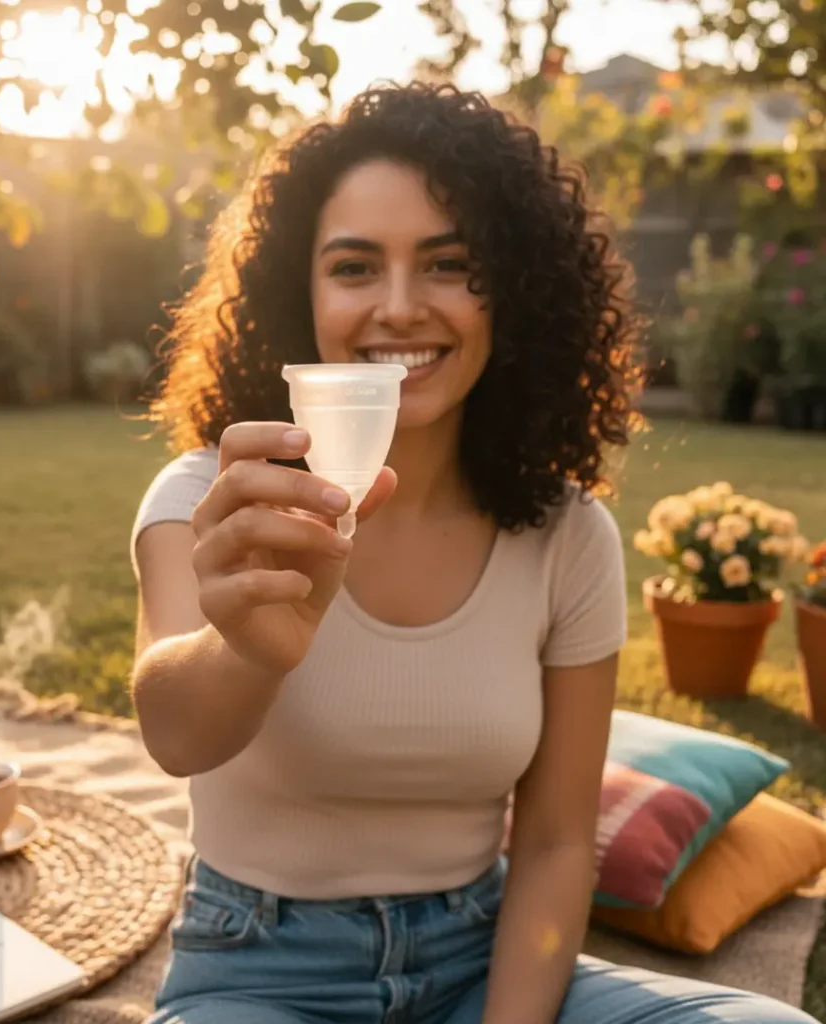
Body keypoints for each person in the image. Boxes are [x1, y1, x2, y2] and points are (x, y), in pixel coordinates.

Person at [130, 83, 813, 1024]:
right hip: (261, 969)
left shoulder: (567, 536)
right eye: (355, 267)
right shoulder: (219, 495)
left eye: (450, 264)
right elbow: (173, 736)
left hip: (479, 961)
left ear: (518, 291)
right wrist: (246, 646)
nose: (400, 308)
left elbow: (557, 845)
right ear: (304, 293)